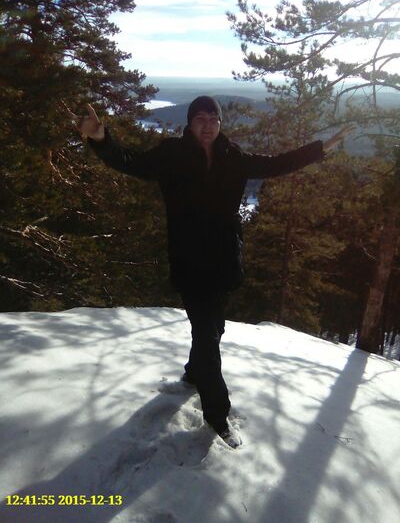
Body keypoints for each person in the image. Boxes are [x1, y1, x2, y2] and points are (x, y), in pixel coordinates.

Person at [71, 96, 353, 448]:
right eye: (200, 118)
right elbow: (131, 161)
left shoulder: (234, 156)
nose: (207, 125)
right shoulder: (171, 154)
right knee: (207, 335)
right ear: (190, 123)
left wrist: (320, 148)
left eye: (213, 119)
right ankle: (217, 416)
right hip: (189, 259)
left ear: (220, 123)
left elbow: (278, 163)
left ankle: (192, 374)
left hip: (222, 259)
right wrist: (101, 139)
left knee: (213, 328)